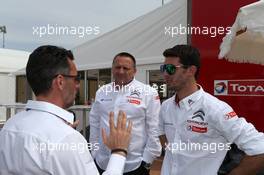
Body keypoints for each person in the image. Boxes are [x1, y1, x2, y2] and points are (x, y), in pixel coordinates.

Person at [0, 45, 132, 175]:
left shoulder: (9, 126)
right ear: (60, 82)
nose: (78, 85)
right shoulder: (67, 138)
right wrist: (119, 150)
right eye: (76, 78)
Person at [158, 44, 264, 175]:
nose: (165, 74)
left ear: (191, 70)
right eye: (163, 68)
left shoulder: (216, 109)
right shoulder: (166, 106)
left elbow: (260, 148)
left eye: (170, 68)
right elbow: (161, 134)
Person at [89, 52, 161, 175]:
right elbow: (94, 123)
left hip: (134, 165)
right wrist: (94, 153)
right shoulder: (102, 91)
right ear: (112, 68)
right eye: (117, 67)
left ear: (134, 71)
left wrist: (147, 161)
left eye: (126, 68)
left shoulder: (148, 92)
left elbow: (154, 129)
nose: (121, 71)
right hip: (103, 162)